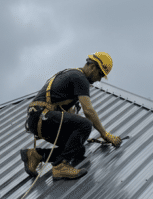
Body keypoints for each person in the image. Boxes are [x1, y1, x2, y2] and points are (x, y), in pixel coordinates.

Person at [21, 52, 122, 181]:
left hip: (39, 118)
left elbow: (69, 116)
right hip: (42, 116)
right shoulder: (80, 78)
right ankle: (60, 166)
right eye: (100, 74)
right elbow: (88, 111)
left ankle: (36, 155)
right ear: (92, 67)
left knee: (77, 149)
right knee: (86, 124)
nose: (99, 79)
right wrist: (105, 134)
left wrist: (81, 136)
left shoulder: (72, 75)